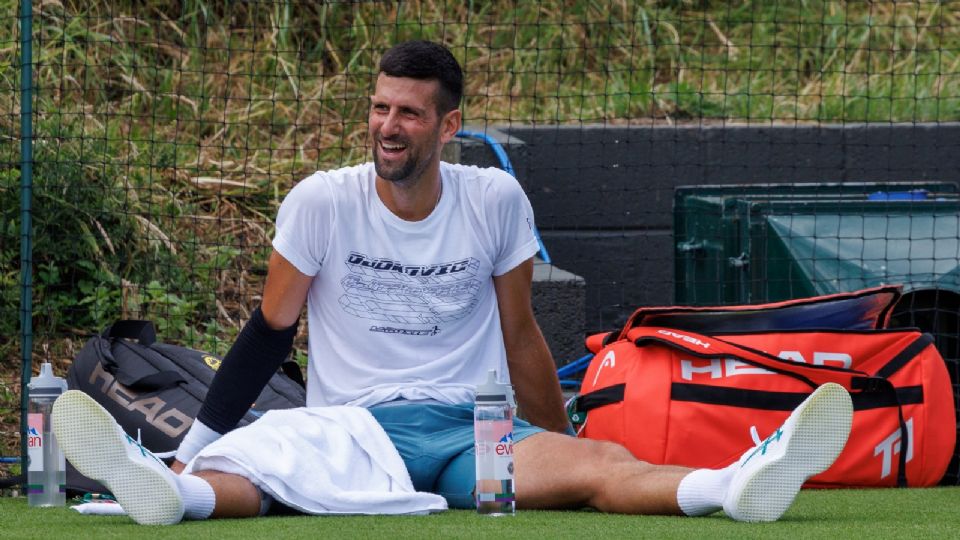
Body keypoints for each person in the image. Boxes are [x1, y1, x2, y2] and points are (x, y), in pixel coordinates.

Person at [51, 40, 854, 525]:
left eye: (406, 114)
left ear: (447, 127)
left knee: (602, 467)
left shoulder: (494, 198)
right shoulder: (320, 202)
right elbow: (269, 334)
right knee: (255, 474)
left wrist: (559, 435)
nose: (386, 127)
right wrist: (197, 447)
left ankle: (735, 483)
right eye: (377, 108)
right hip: (353, 426)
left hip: (477, 436)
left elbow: (520, 334)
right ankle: (167, 488)